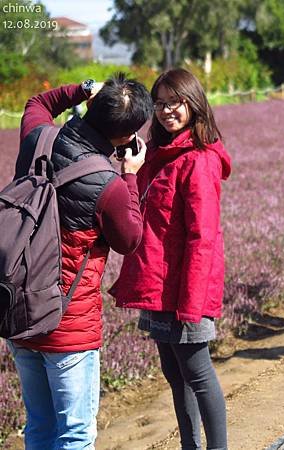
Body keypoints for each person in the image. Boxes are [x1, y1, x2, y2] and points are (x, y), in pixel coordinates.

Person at [8, 74, 152, 449]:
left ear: (92, 105)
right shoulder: (110, 185)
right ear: (126, 137)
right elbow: (130, 239)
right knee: (75, 433)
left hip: (18, 308)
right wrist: (131, 176)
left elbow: (37, 104)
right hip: (68, 323)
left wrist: (81, 89)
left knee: (39, 425)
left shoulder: (38, 139)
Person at [110, 68, 231, 450]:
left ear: (193, 104)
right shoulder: (159, 156)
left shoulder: (199, 160)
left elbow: (203, 237)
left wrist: (191, 305)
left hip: (184, 292)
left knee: (197, 373)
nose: (166, 111)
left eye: (174, 102)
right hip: (158, 285)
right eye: (159, 104)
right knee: (175, 375)